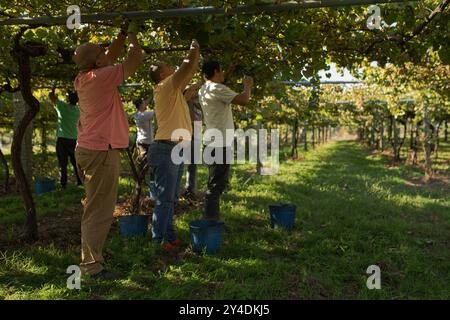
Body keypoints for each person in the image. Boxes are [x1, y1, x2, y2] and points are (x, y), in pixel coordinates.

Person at [73, 22, 144, 280]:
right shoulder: (102, 77)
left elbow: (107, 58)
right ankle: (92, 267)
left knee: (95, 206)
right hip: (100, 151)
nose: (106, 54)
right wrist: (134, 35)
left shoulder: (85, 77)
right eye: (101, 52)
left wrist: (122, 34)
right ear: (98, 62)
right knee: (99, 210)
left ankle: (93, 257)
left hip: (90, 148)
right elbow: (135, 58)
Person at [148, 39, 200, 251]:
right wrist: (194, 47)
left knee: (170, 198)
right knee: (165, 199)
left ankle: (167, 236)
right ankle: (159, 239)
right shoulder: (165, 84)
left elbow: (188, 76)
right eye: (167, 66)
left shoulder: (172, 91)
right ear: (162, 74)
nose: (172, 66)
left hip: (175, 148)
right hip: (167, 148)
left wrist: (196, 85)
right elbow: (187, 66)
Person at [198, 61, 254, 221]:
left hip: (211, 142)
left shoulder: (204, 89)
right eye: (222, 71)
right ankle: (210, 221)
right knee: (216, 186)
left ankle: (211, 218)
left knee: (215, 183)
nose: (223, 74)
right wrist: (247, 85)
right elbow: (243, 100)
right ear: (216, 71)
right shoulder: (217, 88)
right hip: (219, 144)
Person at [49, 88, 82, 188]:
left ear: (68, 99)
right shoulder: (79, 110)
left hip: (62, 140)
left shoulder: (62, 106)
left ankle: (63, 185)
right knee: (76, 162)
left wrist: (53, 89)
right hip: (74, 140)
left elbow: (51, 96)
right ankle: (80, 181)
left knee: (63, 163)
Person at [182, 82, 203, 201]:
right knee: (184, 163)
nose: (197, 93)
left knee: (193, 164)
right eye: (195, 91)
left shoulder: (199, 105)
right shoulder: (187, 103)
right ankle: (187, 190)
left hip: (197, 136)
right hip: (188, 136)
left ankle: (190, 189)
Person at [133, 97, 154, 175]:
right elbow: (157, 111)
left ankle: (139, 182)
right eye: (143, 104)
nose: (145, 105)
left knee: (143, 164)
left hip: (142, 142)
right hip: (145, 143)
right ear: (140, 105)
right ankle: (139, 182)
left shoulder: (138, 114)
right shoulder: (144, 115)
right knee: (145, 165)